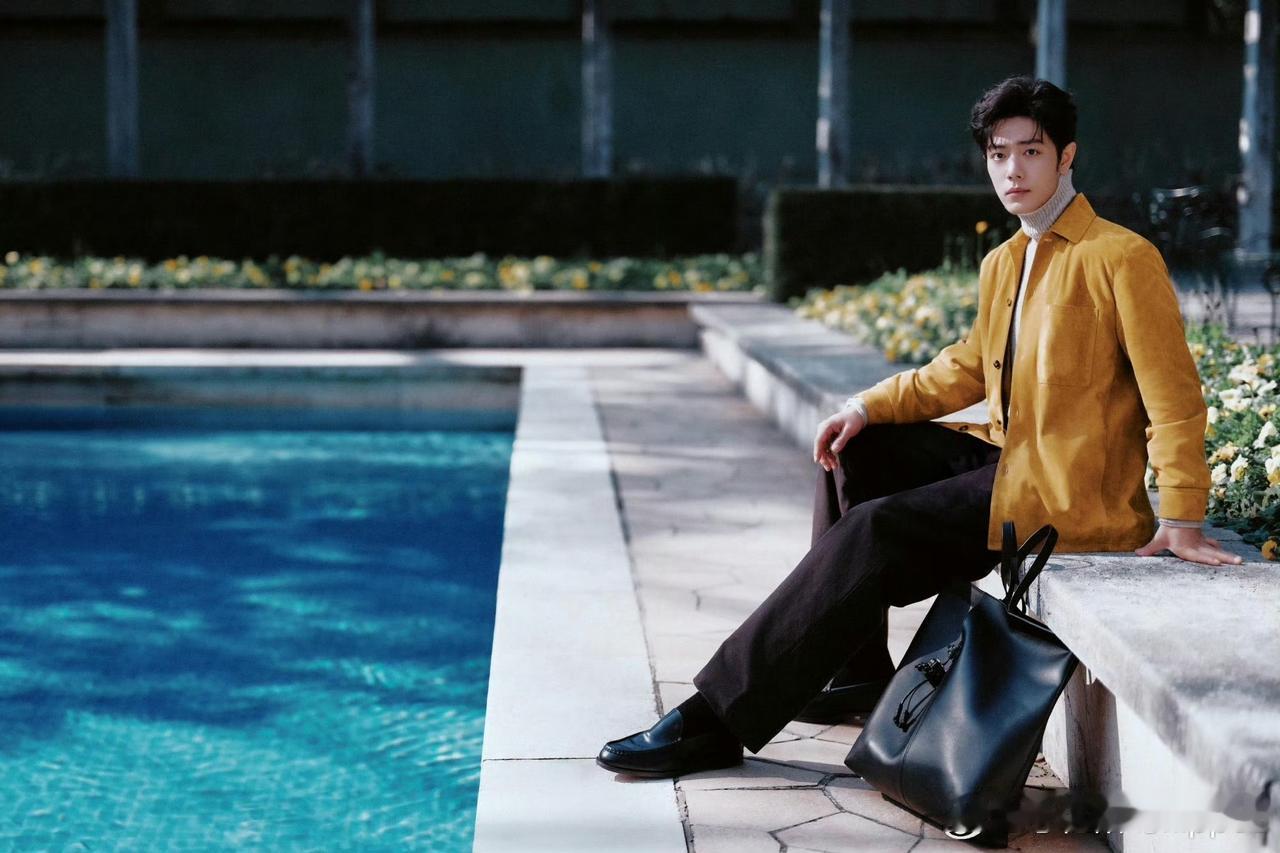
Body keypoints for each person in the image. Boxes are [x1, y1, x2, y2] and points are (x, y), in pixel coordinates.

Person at [595, 75, 1242, 779]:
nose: (1013, 170)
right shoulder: (1005, 260)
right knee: (856, 452)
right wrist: (865, 407)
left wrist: (1182, 516)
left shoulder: (1121, 257)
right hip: (1009, 464)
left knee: (874, 530)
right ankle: (855, 672)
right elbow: (966, 366)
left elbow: (1174, 395)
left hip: (1066, 497)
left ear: (1067, 157)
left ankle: (717, 718)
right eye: (998, 154)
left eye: (1031, 151)